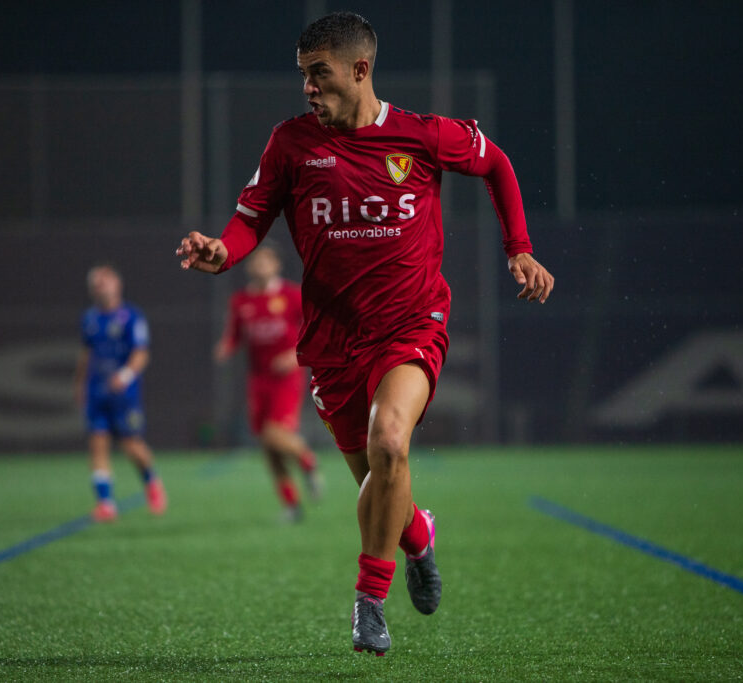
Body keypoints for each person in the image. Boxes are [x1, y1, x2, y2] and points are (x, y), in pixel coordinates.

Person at [176, 11, 553, 656]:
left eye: (318, 74)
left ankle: (368, 602)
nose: (307, 88)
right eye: (302, 76)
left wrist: (519, 246)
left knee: (389, 442)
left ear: (360, 69)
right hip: (332, 341)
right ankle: (419, 538)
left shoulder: (422, 136)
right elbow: (250, 220)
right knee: (377, 479)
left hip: (411, 324)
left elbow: (498, 165)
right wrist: (222, 252)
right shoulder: (290, 144)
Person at [214, 244, 323, 522]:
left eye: (266, 260)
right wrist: (226, 347)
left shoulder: (292, 295)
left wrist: (292, 354)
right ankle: (292, 506)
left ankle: (308, 461)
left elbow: (313, 329)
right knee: (268, 446)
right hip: (257, 379)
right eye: (256, 261)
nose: (261, 265)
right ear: (250, 267)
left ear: (276, 265)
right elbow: (235, 335)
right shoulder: (241, 301)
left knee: (274, 434)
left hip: (285, 378)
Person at [73, 264, 167, 522]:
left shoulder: (131, 316)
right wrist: (80, 384)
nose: (100, 285)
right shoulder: (89, 319)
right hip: (96, 391)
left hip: (124, 394)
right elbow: (86, 354)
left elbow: (141, 353)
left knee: (131, 446)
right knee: (97, 445)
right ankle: (105, 503)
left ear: (117, 285)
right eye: (95, 282)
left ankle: (152, 482)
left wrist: (124, 376)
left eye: (105, 280)